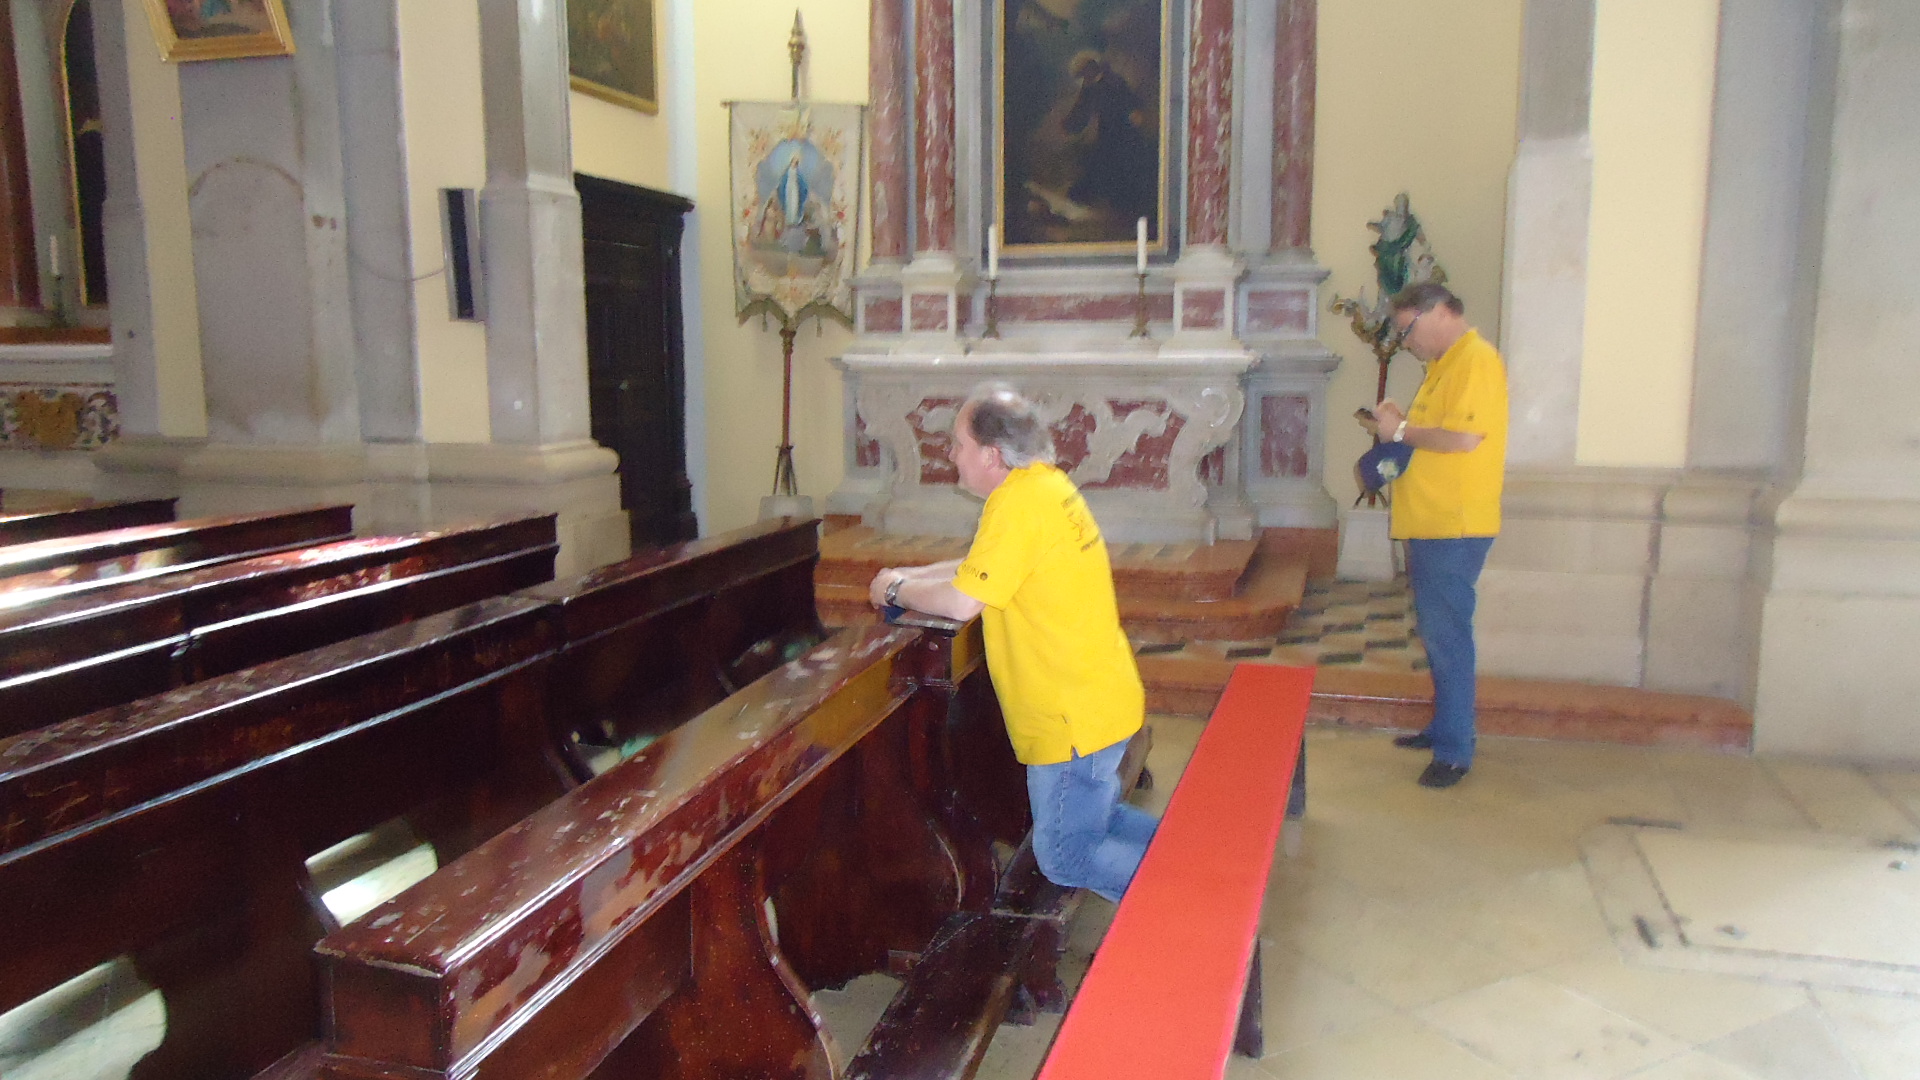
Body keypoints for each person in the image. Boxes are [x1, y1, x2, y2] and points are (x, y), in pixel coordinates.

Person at [868, 382, 1157, 900]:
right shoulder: (1043, 487)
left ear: (991, 454)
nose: (951, 455)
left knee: (1066, 856)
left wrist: (893, 590)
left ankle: (1193, 905)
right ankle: (1199, 867)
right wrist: (907, 576)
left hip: (1071, 717)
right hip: (1097, 699)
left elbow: (963, 601)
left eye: (958, 444)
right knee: (1099, 820)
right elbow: (980, 567)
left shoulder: (1018, 505)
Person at [1357, 282, 1509, 788]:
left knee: (1447, 638)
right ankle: (1445, 727)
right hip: (1431, 521)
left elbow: (1463, 438)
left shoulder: (1475, 360)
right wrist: (1398, 423)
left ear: (1440, 312)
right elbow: (1435, 435)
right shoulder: (1445, 366)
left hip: (1453, 525)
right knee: (1438, 634)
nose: (1405, 342)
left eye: (1408, 330)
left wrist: (1398, 432)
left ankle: (1454, 752)